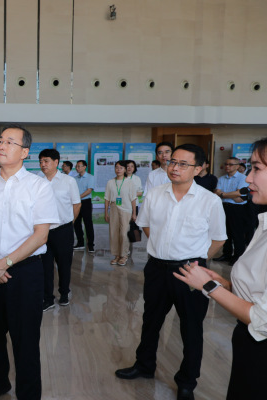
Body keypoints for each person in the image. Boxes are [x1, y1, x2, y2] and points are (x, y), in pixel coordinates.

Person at [115, 144, 226, 400]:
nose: (174, 167)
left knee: (191, 328)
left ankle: (187, 381)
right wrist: (162, 248)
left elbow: (218, 239)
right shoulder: (155, 194)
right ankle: (144, 366)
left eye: (183, 164)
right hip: (156, 268)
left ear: (198, 169)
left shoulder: (209, 201)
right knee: (150, 321)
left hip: (191, 272)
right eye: (172, 161)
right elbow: (145, 225)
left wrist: (197, 262)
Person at [0, 125, 59, 400]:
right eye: (0, 140)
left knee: (25, 338)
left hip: (25, 271)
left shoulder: (38, 186)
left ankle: (28, 394)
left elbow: (41, 235)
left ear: (24, 152)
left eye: (9, 141)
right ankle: (0, 382)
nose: (1, 145)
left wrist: (5, 262)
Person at [173, 138, 267, 399]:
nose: (248, 178)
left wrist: (209, 286)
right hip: (247, 341)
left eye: (257, 168)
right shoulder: (264, 222)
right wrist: (225, 284)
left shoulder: (209, 200)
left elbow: (262, 319)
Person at [38, 149, 81, 311]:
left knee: (64, 264)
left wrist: (69, 223)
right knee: (45, 266)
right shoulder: (38, 182)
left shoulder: (68, 181)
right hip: (44, 231)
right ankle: (48, 298)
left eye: (46, 161)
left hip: (63, 230)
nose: (43, 164)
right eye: (41, 161)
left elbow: (76, 204)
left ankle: (64, 293)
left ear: (56, 162)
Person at [214, 157, 249, 265]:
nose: (227, 166)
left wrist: (223, 194)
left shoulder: (243, 178)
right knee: (225, 232)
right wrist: (232, 195)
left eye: (231, 164)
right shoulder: (221, 178)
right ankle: (226, 254)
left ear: (237, 166)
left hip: (237, 209)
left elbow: (239, 193)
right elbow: (217, 192)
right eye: (226, 164)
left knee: (237, 233)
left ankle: (238, 256)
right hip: (223, 207)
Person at [104, 160, 137, 266]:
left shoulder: (130, 182)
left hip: (126, 210)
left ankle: (124, 255)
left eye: (121, 168)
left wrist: (134, 213)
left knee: (124, 233)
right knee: (114, 233)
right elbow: (107, 198)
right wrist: (106, 212)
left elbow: (133, 199)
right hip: (114, 208)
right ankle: (117, 255)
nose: (118, 170)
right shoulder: (110, 182)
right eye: (117, 167)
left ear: (125, 170)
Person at [73, 160, 95, 253]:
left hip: (86, 202)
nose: (77, 168)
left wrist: (78, 197)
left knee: (88, 223)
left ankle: (91, 245)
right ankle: (80, 243)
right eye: (76, 166)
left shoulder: (90, 177)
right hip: (76, 203)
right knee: (76, 223)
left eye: (79, 166)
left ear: (84, 167)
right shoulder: (75, 178)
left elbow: (89, 190)